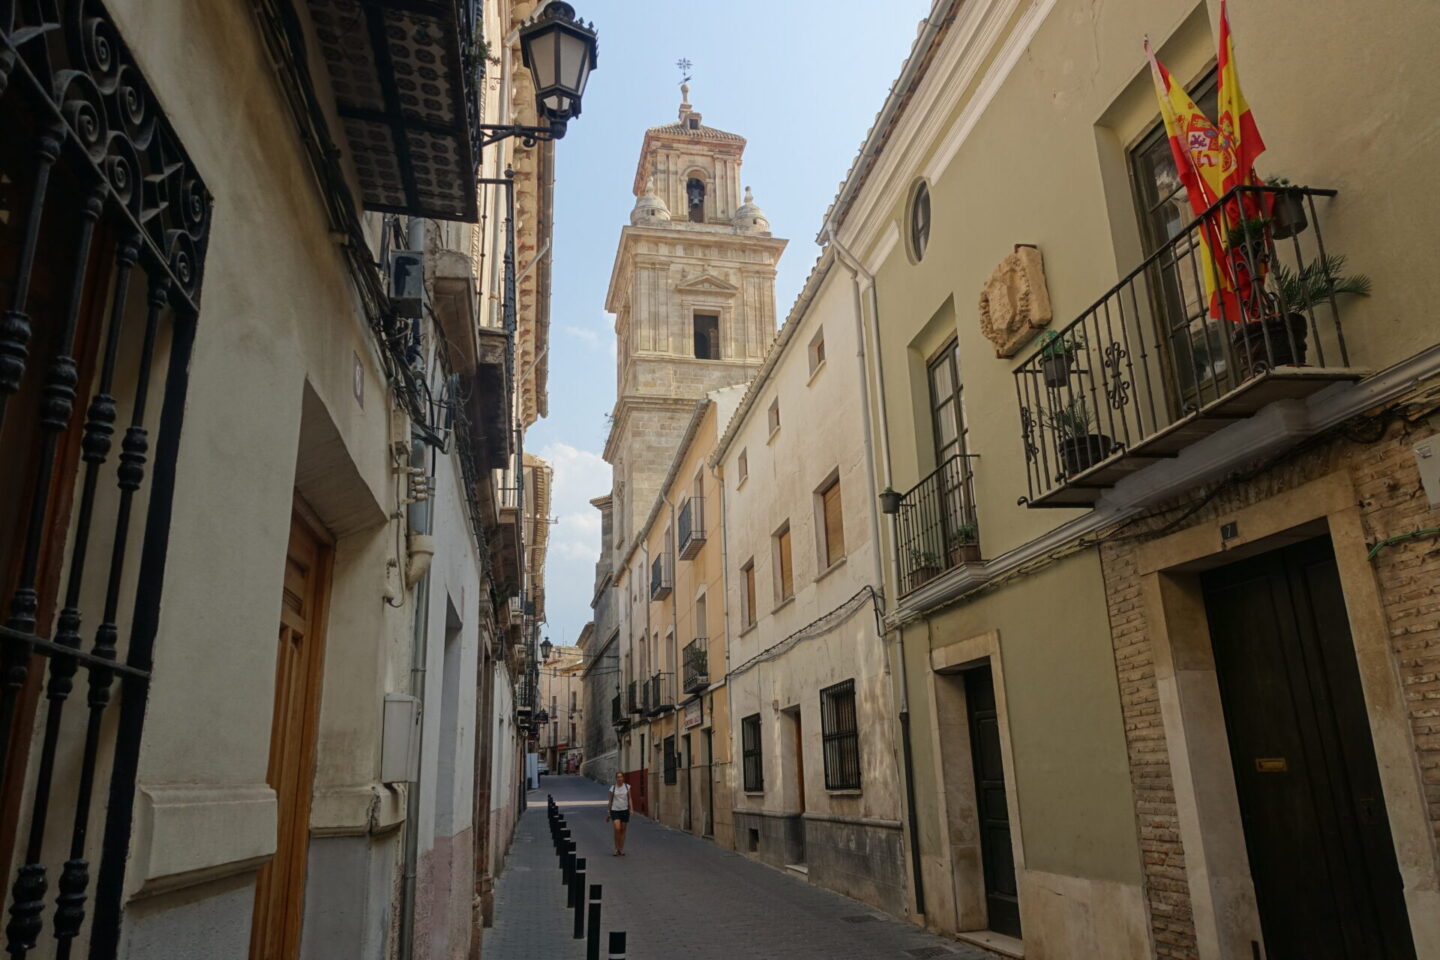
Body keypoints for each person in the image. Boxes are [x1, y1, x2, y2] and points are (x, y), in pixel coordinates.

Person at [606, 771, 631, 856]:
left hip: (624, 810)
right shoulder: (612, 788)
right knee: (617, 829)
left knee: (623, 830)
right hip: (615, 810)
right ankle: (616, 848)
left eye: (621, 777)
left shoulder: (627, 787)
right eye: (618, 777)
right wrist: (608, 811)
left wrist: (632, 809)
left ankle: (621, 848)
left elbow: (629, 798)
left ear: (623, 778)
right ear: (616, 778)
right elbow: (610, 801)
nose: (620, 778)